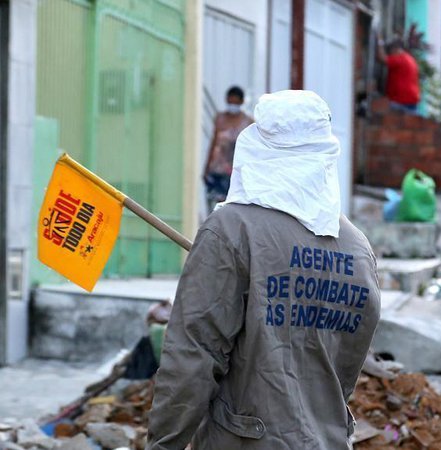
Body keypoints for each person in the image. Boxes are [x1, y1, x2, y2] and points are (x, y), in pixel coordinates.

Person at [147, 90, 382, 449]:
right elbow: (346, 368)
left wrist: (163, 444)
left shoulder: (230, 230)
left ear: (260, 146)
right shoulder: (357, 248)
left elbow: (191, 359)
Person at [203, 86, 254, 213]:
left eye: (235, 102)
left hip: (236, 171)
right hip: (218, 169)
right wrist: (207, 167)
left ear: (241, 102)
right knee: (214, 206)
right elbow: (214, 143)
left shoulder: (248, 122)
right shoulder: (220, 119)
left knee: (232, 207)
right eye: (230, 102)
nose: (232, 105)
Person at [376, 37, 420, 112]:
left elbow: (382, 58)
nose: (390, 55)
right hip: (409, 100)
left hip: (401, 101)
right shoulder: (409, 58)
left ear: (395, 49)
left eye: (390, 52)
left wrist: (379, 41)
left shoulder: (400, 59)